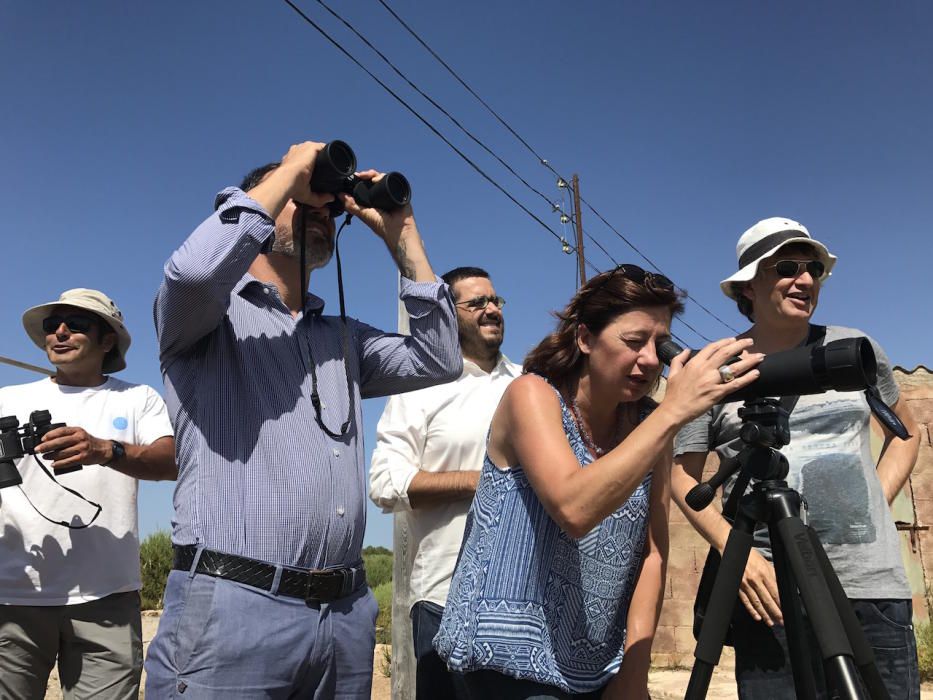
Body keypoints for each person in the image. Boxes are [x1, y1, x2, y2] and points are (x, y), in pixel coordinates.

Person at [145, 140, 462, 699]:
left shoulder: (342, 338)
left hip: (343, 616)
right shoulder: (205, 322)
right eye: (303, 201)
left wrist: (402, 234)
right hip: (231, 607)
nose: (320, 212)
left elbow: (439, 358)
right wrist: (290, 172)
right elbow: (193, 274)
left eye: (328, 207)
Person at [434, 264, 762, 698]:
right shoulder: (532, 395)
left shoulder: (650, 424)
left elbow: (652, 553)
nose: (649, 359)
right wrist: (673, 411)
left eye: (659, 344)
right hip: (505, 665)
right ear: (585, 338)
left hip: (595, 667)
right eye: (632, 342)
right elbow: (574, 507)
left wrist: (634, 672)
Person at [671, 217, 921, 699]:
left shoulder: (855, 349)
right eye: (787, 267)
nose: (805, 280)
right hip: (769, 594)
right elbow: (682, 478)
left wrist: (876, 499)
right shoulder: (715, 369)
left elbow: (906, 433)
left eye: (814, 269)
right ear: (750, 285)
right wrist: (736, 554)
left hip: (869, 586)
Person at [0, 288, 176, 700]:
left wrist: (106, 450)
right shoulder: (7, 399)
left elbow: (169, 463)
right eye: (52, 326)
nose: (59, 333)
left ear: (107, 339)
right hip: (13, 596)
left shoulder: (137, 399)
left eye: (76, 325)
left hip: (107, 599)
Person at [369, 266, 521, 698]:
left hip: (523, 600)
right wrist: (478, 482)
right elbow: (384, 481)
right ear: (449, 316)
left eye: (496, 301)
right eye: (477, 303)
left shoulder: (532, 385)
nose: (492, 310)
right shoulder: (420, 388)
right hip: (444, 596)